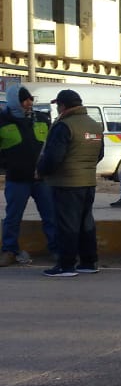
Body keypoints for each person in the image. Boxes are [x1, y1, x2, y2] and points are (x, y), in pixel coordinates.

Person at [35, 90, 104, 277]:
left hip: (66, 183)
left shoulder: (64, 126)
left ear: (63, 106)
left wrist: (41, 170)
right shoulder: (95, 125)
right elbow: (100, 155)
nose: (57, 108)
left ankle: (66, 265)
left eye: (58, 105)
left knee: (67, 225)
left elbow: (53, 156)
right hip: (88, 182)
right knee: (85, 223)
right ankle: (89, 262)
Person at [0, 84, 57, 267]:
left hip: (42, 179)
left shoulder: (41, 118)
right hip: (17, 179)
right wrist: (8, 165)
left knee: (50, 215)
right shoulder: (2, 121)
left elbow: (50, 147)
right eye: (24, 99)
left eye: (30, 99)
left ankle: (56, 249)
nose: (28, 103)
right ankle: (10, 250)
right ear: (15, 101)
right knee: (13, 217)